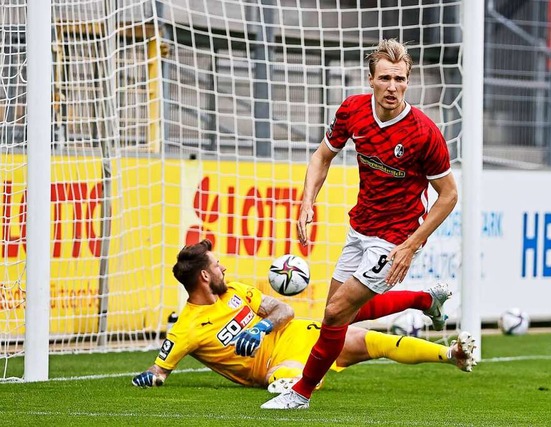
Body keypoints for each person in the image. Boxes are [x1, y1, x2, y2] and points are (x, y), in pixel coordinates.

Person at [261, 39, 469, 410]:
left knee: (336, 311)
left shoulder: (424, 133)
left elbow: (449, 195)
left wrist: (409, 245)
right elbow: (322, 156)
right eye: (386, 78)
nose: (393, 86)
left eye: (401, 79)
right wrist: (307, 200)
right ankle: (426, 301)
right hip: (361, 226)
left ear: (408, 81)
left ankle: (301, 392)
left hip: (397, 236)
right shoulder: (353, 111)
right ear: (370, 80)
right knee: (339, 317)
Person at [131, 239, 475, 393]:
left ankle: (450, 355)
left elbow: (283, 308)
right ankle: (425, 301)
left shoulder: (235, 289)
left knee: (371, 339)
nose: (223, 267)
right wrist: (153, 377)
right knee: (287, 378)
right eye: (215, 266)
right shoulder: (187, 328)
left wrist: (263, 326)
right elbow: (159, 368)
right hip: (270, 367)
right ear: (204, 277)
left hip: (299, 334)